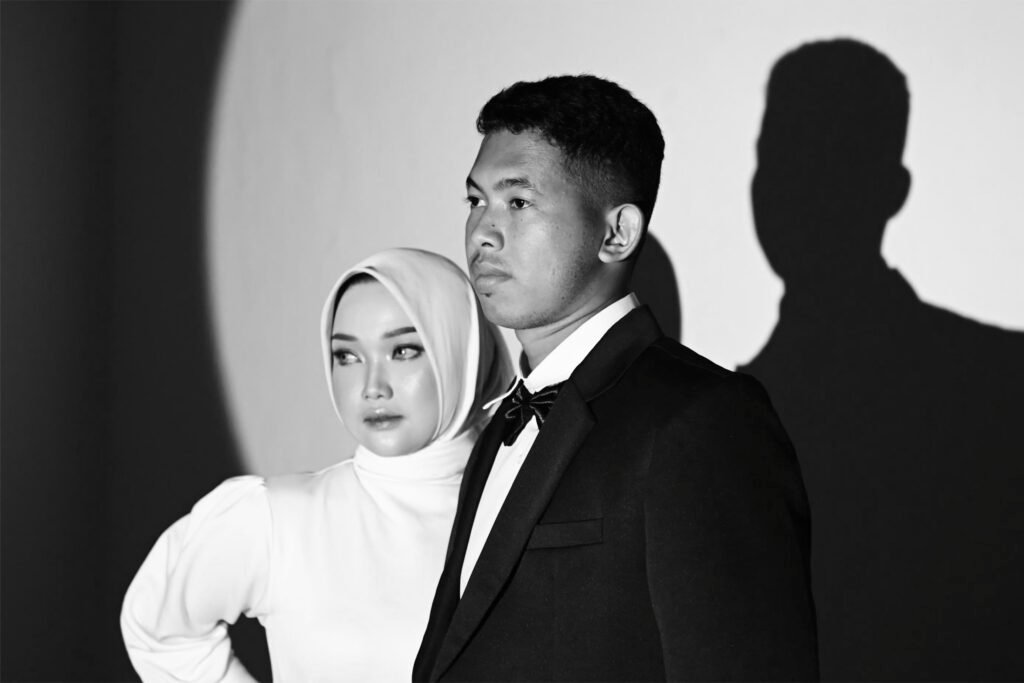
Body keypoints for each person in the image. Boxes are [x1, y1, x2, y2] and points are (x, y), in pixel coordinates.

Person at [414, 75, 819, 681]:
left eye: (518, 202)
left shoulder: (703, 420)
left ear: (617, 233)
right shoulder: (503, 423)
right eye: (476, 201)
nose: (482, 233)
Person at [741, 39, 1024, 680]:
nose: (797, 186)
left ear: (891, 190)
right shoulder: (723, 413)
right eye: (779, 156)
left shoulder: (1002, 386)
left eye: (828, 161)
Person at [121, 248, 513, 681]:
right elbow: (157, 630)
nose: (372, 387)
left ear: (461, 351)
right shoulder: (280, 517)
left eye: (403, 351)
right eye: (347, 356)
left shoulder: (526, 512)